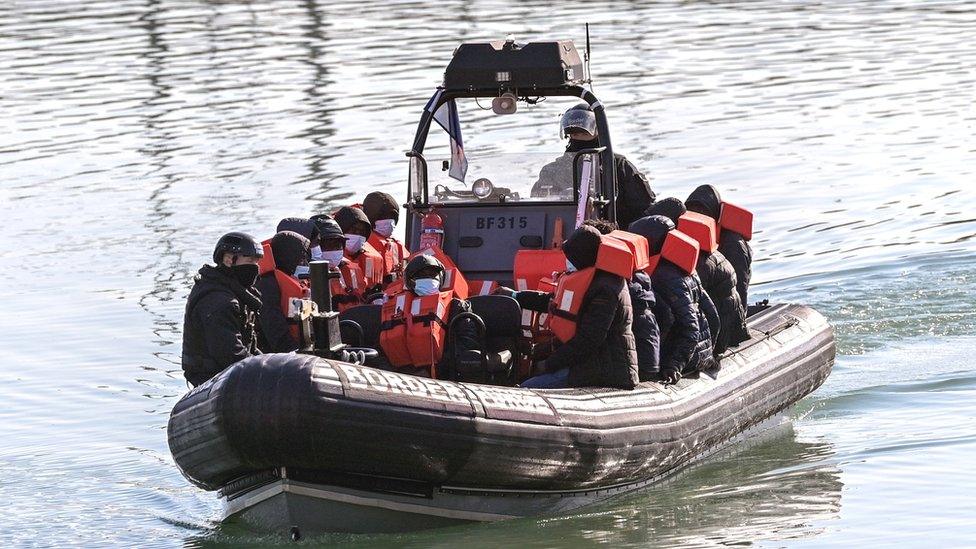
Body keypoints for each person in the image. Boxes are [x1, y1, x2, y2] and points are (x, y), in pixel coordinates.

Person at [504, 225, 639, 389]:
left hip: (605, 368)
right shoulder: (592, 279)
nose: (567, 261)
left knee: (528, 388)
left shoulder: (605, 289)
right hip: (589, 363)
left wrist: (549, 363)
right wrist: (515, 296)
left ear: (583, 257)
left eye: (571, 257)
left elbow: (589, 340)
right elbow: (553, 302)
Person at [531, 104, 655, 229]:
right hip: (562, 232)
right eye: (574, 134)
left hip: (614, 233)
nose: (578, 137)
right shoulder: (552, 170)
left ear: (598, 132)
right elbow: (538, 208)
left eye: (583, 133)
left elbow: (643, 208)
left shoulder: (618, 166)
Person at [629, 216, 717, 384]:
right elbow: (712, 314)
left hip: (686, 359)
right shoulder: (686, 269)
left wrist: (674, 366)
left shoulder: (664, 276)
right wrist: (712, 351)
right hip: (701, 353)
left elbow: (691, 327)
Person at [378, 255, 482, 379]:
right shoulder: (392, 310)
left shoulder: (458, 307)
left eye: (433, 275)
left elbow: (467, 345)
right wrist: (397, 373)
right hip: (400, 377)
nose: (429, 279)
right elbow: (380, 349)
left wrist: (433, 371)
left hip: (444, 377)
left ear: (441, 279)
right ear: (410, 280)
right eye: (422, 275)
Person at [181, 232, 264, 387]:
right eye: (250, 261)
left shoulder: (236, 292)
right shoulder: (220, 301)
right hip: (210, 379)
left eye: (257, 262)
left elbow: (249, 348)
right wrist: (266, 370)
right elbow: (230, 355)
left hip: (228, 373)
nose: (255, 267)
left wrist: (272, 362)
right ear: (228, 259)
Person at [581, 219, 660, 381]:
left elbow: (592, 337)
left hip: (632, 364)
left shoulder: (616, 286)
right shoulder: (638, 279)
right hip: (641, 359)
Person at [677, 212, 749, 355]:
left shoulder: (702, 264)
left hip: (724, 325)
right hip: (730, 318)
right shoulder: (713, 256)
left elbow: (709, 314)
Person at [686, 184, 753, 307]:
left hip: (728, 304)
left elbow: (740, 287)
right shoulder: (691, 239)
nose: (697, 216)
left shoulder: (733, 245)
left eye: (701, 211)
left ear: (714, 214)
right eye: (692, 211)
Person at [255, 230, 310, 353]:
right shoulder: (267, 285)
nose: (304, 264)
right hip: (275, 354)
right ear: (288, 257)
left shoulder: (291, 279)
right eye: (300, 260)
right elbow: (273, 327)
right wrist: (294, 352)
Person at [310, 215, 369, 310]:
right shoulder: (307, 277)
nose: (333, 250)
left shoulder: (348, 270)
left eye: (338, 245)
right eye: (327, 246)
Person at [333, 206, 385, 294]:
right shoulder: (330, 258)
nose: (358, 235)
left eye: (362, 232)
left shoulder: (369, 258)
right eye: (353, 230)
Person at [362, 191, 408, 284]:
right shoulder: (360, 244)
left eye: (391, 216)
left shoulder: (397, 244)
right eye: (382, 217)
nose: (388, 220)